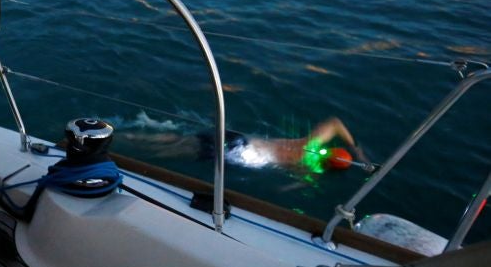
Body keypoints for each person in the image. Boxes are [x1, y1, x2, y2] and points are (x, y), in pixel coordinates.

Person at [119, 117, 367, 171]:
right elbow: (288, 188)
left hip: (238, 138)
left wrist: (356, 148)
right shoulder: (308, 167)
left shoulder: (312, 141)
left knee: (179, 139)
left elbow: (335, 123)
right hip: (239, 154)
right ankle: (126, 151)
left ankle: (127, 135)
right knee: (171, 152)